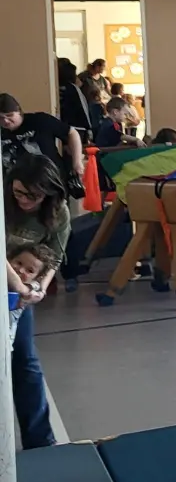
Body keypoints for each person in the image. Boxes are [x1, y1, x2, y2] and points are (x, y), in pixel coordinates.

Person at [5, 154, 71, 449]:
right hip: (13, 285)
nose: (24, 200)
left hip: (17, 294)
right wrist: (21, 285)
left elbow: (53, 256)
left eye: (33, 195)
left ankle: (40, 441)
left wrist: (39, 289)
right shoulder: (4, 202)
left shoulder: (59, 213)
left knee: (26, 362)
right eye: (19, 192)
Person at [1, 93, 85, 188]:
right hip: (15, 187)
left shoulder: (40, 121)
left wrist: (77, 162)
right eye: (1, 118)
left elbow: (71, 133)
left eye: (9, 115)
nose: (5, 121)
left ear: (18, 111)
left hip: (50, 182)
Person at [7, 243, 54, 349]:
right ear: (9, 259)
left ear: (37, 277)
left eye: (30, 271)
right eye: (19, 263)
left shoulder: (31, 289)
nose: (21, 270)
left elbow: (23, 287)